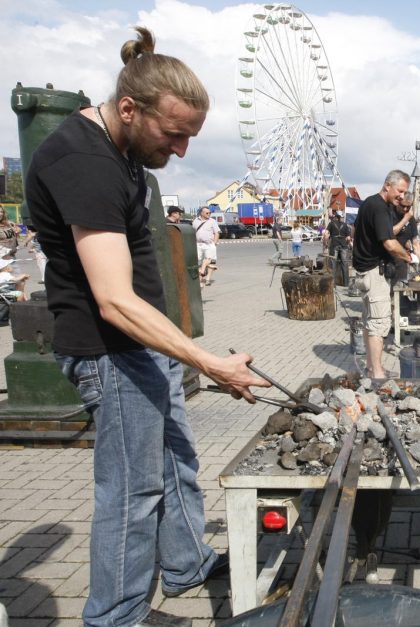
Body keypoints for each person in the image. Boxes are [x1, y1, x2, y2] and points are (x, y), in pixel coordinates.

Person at [25, 26, 269, 627]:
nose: (183, 149)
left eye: (191, 136)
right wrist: (206, 361)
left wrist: (180, 353)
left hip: (144, 345)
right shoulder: (84, 162)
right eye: (175, 133)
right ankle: (115, 617)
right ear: (130, 109)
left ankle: (185, 563)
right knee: (134, 495)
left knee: (177, 459)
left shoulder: (126, 150)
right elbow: (112, 299)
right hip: (110, 351)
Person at [351, 170, 417, 379]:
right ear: (388, 185)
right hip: (373, 273)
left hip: (364, 272)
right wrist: (410, 258)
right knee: (379, 324)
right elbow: (389, 242)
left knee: (370, 322)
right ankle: (377, 373)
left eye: (404, 192)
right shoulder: (378, 207)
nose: (401, 196)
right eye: (399, 191)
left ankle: (372, 368)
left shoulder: (369, 204)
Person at [390, 191, 420, 282]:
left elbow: (415, 243)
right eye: (403, 206)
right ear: (398, 202)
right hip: (387, 256)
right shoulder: (390, 213)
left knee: (403, 284)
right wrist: (405, 219)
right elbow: (390, 233)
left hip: (401, 257)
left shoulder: (411, 219)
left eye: (408, 207)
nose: (405, 209)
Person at [192, 205, 220, 286]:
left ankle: (207, 279)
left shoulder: (212, 221)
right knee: (197, 261)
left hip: (209, 244)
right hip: (198, 244)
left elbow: (217, 233)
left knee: (211, 261)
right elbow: (192, 232)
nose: (209, 214)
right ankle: (200, 278)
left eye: (210, 212)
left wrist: (214, 243)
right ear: (201, 213)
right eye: (207, 212)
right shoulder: (195, 221)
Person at [323, 210, 352, 286]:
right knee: (345, 264)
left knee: (333, 264)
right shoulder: (345, 225)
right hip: (343, 246)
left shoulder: (331, 224)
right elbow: (348, 238)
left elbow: (326, 234)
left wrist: (325, 244)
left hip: (334, 245)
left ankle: (333, 284)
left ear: (335, 216)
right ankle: (346, 283)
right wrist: (348, 244)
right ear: (341, 217)